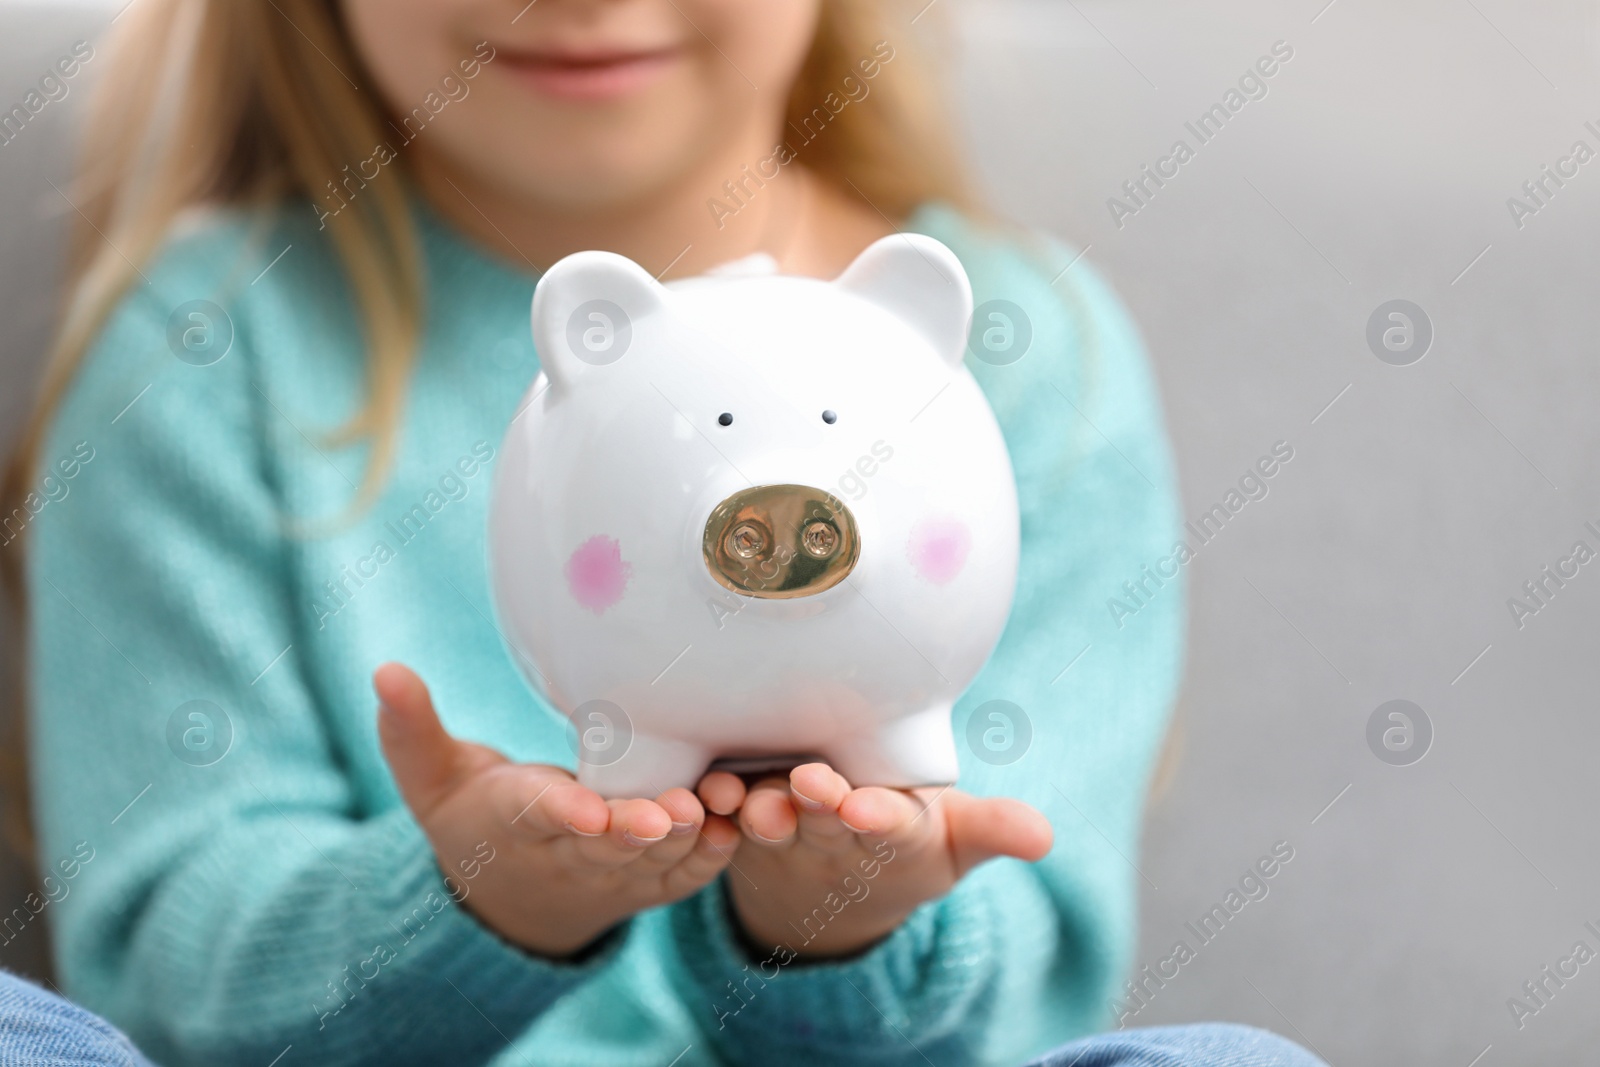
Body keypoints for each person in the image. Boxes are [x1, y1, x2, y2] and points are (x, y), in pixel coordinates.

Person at [4, 1, 1325, 1064]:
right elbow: (169, 977)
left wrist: (838, 919)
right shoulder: (207, 346)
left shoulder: (1024, 355)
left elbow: (1037, 980)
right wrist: (475, 902)